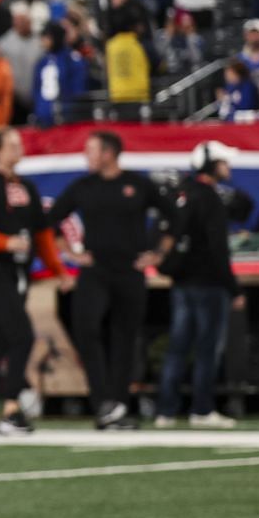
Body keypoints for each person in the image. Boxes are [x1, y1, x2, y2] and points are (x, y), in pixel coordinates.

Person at [46, 130, 172, 430]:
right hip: (96, 269)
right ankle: (102, 401)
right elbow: (50, 220)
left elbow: (173, 218)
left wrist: (158, 254)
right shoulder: (83, 186)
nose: (86, 155)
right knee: (86, 328)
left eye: (91, 150)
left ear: (108, 153)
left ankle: (118, 404)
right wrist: (71, 255)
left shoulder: (137, 184)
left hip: (130, 270)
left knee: (125, 338)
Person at [0, 128, 70, 434]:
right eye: (13, 144)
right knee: (22, 334)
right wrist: (2, 242)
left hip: (18, 272)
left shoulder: (27, 187)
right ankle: (11, 406)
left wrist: (58, 270)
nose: (19, 149)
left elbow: (43, 235)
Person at [156, 142, 243, 429]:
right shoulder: (210, 198)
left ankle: (166, 411)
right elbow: (218, 249)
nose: (227, 168)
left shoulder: (185, 195)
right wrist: (233, 287)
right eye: (223, 162)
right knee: (207, 349)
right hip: (208, 283)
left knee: (178, 347)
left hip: (183, 283)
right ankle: (202, 409)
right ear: (211, 164)